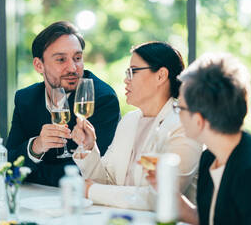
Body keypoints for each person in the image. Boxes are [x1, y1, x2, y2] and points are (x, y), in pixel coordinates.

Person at [158, 52, 251, 224]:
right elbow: (212, 219)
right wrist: (170, 194)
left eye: (179, 108)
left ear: (198, 121)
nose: (178, 114)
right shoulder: (209, 158)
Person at [71, 41, 202, 210]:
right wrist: (88, 148)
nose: (126, 79)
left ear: (161, 75)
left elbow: (162, 197)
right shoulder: (129, 121)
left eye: (133, 71)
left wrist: (91, 191)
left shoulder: (184, 125)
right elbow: (107, 183)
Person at [6, 21, 121, 187]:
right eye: (61, 59)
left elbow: (90, 173)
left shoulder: (102, 98)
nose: (73, 68)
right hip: (36, 200)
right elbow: (7, 168)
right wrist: (36, 146)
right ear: (39, 65)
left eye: (78, 58)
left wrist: (30, 172)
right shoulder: (25, 99)